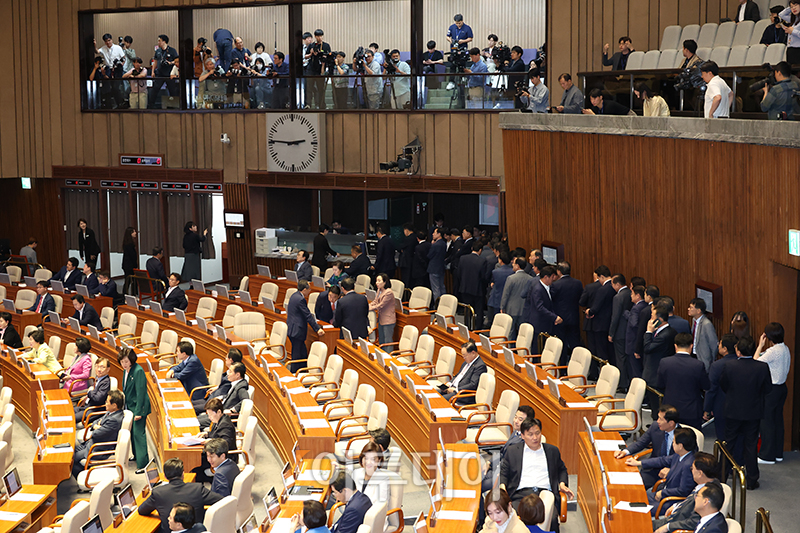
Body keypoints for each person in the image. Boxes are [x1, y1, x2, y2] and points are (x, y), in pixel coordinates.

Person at [499, 418, 572, 533]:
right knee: (515, 520)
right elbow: (504, 472)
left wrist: (562, 484)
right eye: (530, 434)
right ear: (522, 435)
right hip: (520, 495)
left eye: (537, 433)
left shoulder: (552, 451)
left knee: (552, 520)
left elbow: (562, 469)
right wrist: (502, 487)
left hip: (545, 495)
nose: (535, 438)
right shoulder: (513, 451)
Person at [720, 335, 771, 489]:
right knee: (751, 445)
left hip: (733, 411)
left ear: (738, 351)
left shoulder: (729, 366)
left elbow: (724, 386)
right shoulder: (762, 367)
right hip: (753, 412)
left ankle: (722, 475)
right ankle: (752, 479)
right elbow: (768, 388)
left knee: (729, 443)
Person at [138, 457, 223, 533]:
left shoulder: (158, 492)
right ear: (183, 474)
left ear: (165, 476)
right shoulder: (197, 488)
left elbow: (142, 510)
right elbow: (222, 500)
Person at [625, 427, 697, 514]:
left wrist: (662, 493)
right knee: (632, 497)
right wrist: (638, 463)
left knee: (635, 510)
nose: (672, 444)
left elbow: (683, 491)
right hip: (663, 494)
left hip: (670, 502)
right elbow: (661, 460)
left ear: (680, 446)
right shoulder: (679, 455)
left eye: (673, 441)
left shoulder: (689, 465)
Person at [614, 405, 681, 489]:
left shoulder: (684, 437)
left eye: (660, 419)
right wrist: (625, 451)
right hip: (653, 467)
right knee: (635, 486)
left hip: (671, 472)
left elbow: (685, 460)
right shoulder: (655, 426)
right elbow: (641, 442)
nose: (658, 421)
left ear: (671, 423)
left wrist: (671, 470)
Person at [652, 454, 720, 533]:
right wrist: (676, 505)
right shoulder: (707, 483)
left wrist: (668, 527)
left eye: (692, 468)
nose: (691, 471)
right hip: (674, 517)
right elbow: (689, 501)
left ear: (700, 473)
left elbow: (694, 522)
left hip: (676, 526)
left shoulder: (707, 494)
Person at [754, 323, 790, 464]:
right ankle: (777, 453)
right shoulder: (785, 348)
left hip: (772, 390)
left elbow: (755, 361)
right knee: (777, 421)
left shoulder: (774, 351)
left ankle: (767, 456)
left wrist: (760, 345)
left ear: (768, 336)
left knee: (767, 422)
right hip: (781, 389)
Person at [657, 333, 710, 429]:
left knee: (670, 438)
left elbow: (660, 384)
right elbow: (706, 386)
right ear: (691, 346)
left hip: (670, 409)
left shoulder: (665, 362)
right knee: (691, 438)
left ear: (675, 346)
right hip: (691, 410)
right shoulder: (698, 365)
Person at [481, 405, 537, 492]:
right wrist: (489, 462)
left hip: (505, 476)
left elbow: (514, 468)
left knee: (478, 487)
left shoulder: (525, 442)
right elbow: (503, 451)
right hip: (497, 467)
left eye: (520, 419)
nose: (516, 421)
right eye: (515, 417)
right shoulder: (516, 432)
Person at [72, 390, 125, 479]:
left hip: (98, 448)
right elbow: (95, 422)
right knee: (71, 451)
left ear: (114, 405)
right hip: (90, 443)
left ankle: (85, 477)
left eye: (107, 402)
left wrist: (97, 426)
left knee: (71, 460)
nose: (105, 403)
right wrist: (97, 425)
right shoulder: (111, 412)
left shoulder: (114, 420)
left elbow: (96, 434)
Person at [643, 303, 677, 418]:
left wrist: (648, 332)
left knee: (656, 404)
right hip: (655, 371)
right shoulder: (668, 330)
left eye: (652, 317)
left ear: (660, 319)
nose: (650, 319)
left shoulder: (664, 335)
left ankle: (657, 424)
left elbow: (647, 348)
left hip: (656, 374)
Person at [119, 347, 150, 472]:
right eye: (122, 362)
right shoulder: (126, 370)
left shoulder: (138, 371)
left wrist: (138, 412)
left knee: (138, 434)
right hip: (130, 406)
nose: (124, 364)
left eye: (126, 361)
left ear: (131, 360)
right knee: (132, 433)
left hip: (139, 407)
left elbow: (141, 393)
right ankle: (137, 456)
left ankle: (143, 464)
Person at [702, 335, 737, 442]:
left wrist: (707, 409)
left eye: (720, 344)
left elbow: (711, 389)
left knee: (722, 437)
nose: (718, 345)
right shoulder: (740, 362)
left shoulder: (717, 365)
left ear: (725, 349)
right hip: (739, 406)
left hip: (721, 406)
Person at [193, 398, 237, 482]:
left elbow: (225, 443)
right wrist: (206, 434)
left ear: (219, 412)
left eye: (211, 415)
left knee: (196, 466)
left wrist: (209, 441)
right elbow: (217, 435)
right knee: (197, 461)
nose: (209, 418)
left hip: (223, 456)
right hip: (215, 452)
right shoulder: (218, 421)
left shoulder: (225, 425)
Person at [287, 280, 325, 372]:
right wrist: (317, 329)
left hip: (292, 328)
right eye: (309, 289)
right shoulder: (301, 299)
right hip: (297, 330)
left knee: (302, 352)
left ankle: (303, 370)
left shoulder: (294, 295)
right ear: (304, 289)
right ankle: (293, 374)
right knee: (297, 354)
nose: (310, 291)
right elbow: (307, 315)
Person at [459, 241, 490, 329]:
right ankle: (477, 329)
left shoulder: (463, 258)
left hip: (465, 288)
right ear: (480, 250)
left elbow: (459, 274)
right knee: (479, 311)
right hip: (478, 289)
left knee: (467, 310)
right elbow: (483, 277)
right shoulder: (482, 261)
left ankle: (467, 327)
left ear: (472, 248)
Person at [608, 275, 632, 390]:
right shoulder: (630, 293)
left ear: (617, 284)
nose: (612, 287)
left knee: (620, 359)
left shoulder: (618, 297)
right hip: (629, 331)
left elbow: (615, 317)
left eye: (612, 284)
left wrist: (611, 333)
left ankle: (623, 384)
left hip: (619, 332)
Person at [500, 259, 533, 339]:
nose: (512, 265)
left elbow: (506, 294)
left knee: (510, 331)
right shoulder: (530, 278)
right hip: (524, 309)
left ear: (517, 266)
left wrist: (502, 307)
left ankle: (510, 349)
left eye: (514, 264)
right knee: (522, 333)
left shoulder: (511, 278)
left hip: (511, 309)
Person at [685, 298, 717, 372]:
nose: (688, 309)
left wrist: (712, 360)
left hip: (703, 358)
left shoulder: (707, 324)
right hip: (694, 354)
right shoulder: (694, 320)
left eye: (691, 307)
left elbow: (713, 344)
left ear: (698, 311)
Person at [75, 357, 111, 422]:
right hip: (87, 407)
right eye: (97, 366)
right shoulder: (98, 378)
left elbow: (97, 398)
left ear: (108, 369)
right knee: (67, 411)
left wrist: (89, 392)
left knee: (70, 417)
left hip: (94, 410)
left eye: (102, 367)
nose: (99, 369)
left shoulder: (106, 382)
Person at [149, 35, 179, 108]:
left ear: (164, 41)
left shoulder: (172, 50)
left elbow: (177, 61)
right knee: (155, 89)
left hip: (170, 73)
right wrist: (152, 71)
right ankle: (151, 105)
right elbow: (155, 61)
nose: (158, 42)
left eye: (159, 40)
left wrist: (170, 63)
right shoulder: (158, 51)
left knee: (172, 90)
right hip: (160, 73)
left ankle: (175, 106)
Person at [487, 251, 513, 326]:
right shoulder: (513, 272)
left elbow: (493, 282)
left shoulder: (495, 272)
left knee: (496, 321)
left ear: (500, 260)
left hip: (497, 298)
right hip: (508, 299)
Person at [368, 274, 396, 344]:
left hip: (388, 320)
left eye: (379, 281)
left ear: (385, 282)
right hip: (381, 319)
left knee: (387, 341)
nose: (377, 282)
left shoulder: (389, 292)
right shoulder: (379, 290)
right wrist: (368, 305)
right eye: (376, 280)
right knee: (381, 340)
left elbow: (381, 305)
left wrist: (370, 308)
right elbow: (375, 301)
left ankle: (388, 354)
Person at [427, 227, 447, 302]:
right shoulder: (443, 243)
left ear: (439, 234)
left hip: (433, 268)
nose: (432, 234)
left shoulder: (435, 245)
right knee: (442, 287)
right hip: (441, 267)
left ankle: (437, 305)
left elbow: (429, 255)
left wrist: (432, 245)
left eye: (434, 233)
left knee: (435, 288)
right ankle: (444, 303)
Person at [121, 227, 138, 295]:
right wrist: (135, 265)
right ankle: (133, 294)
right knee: (132, 280)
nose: (135, 233)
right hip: (130, 265)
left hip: (126, 265)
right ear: (130, 233)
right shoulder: (130, 244)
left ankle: (125, 293)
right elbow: (132, 256)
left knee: (127, 280)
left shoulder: (126, 243)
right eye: (134, 232)